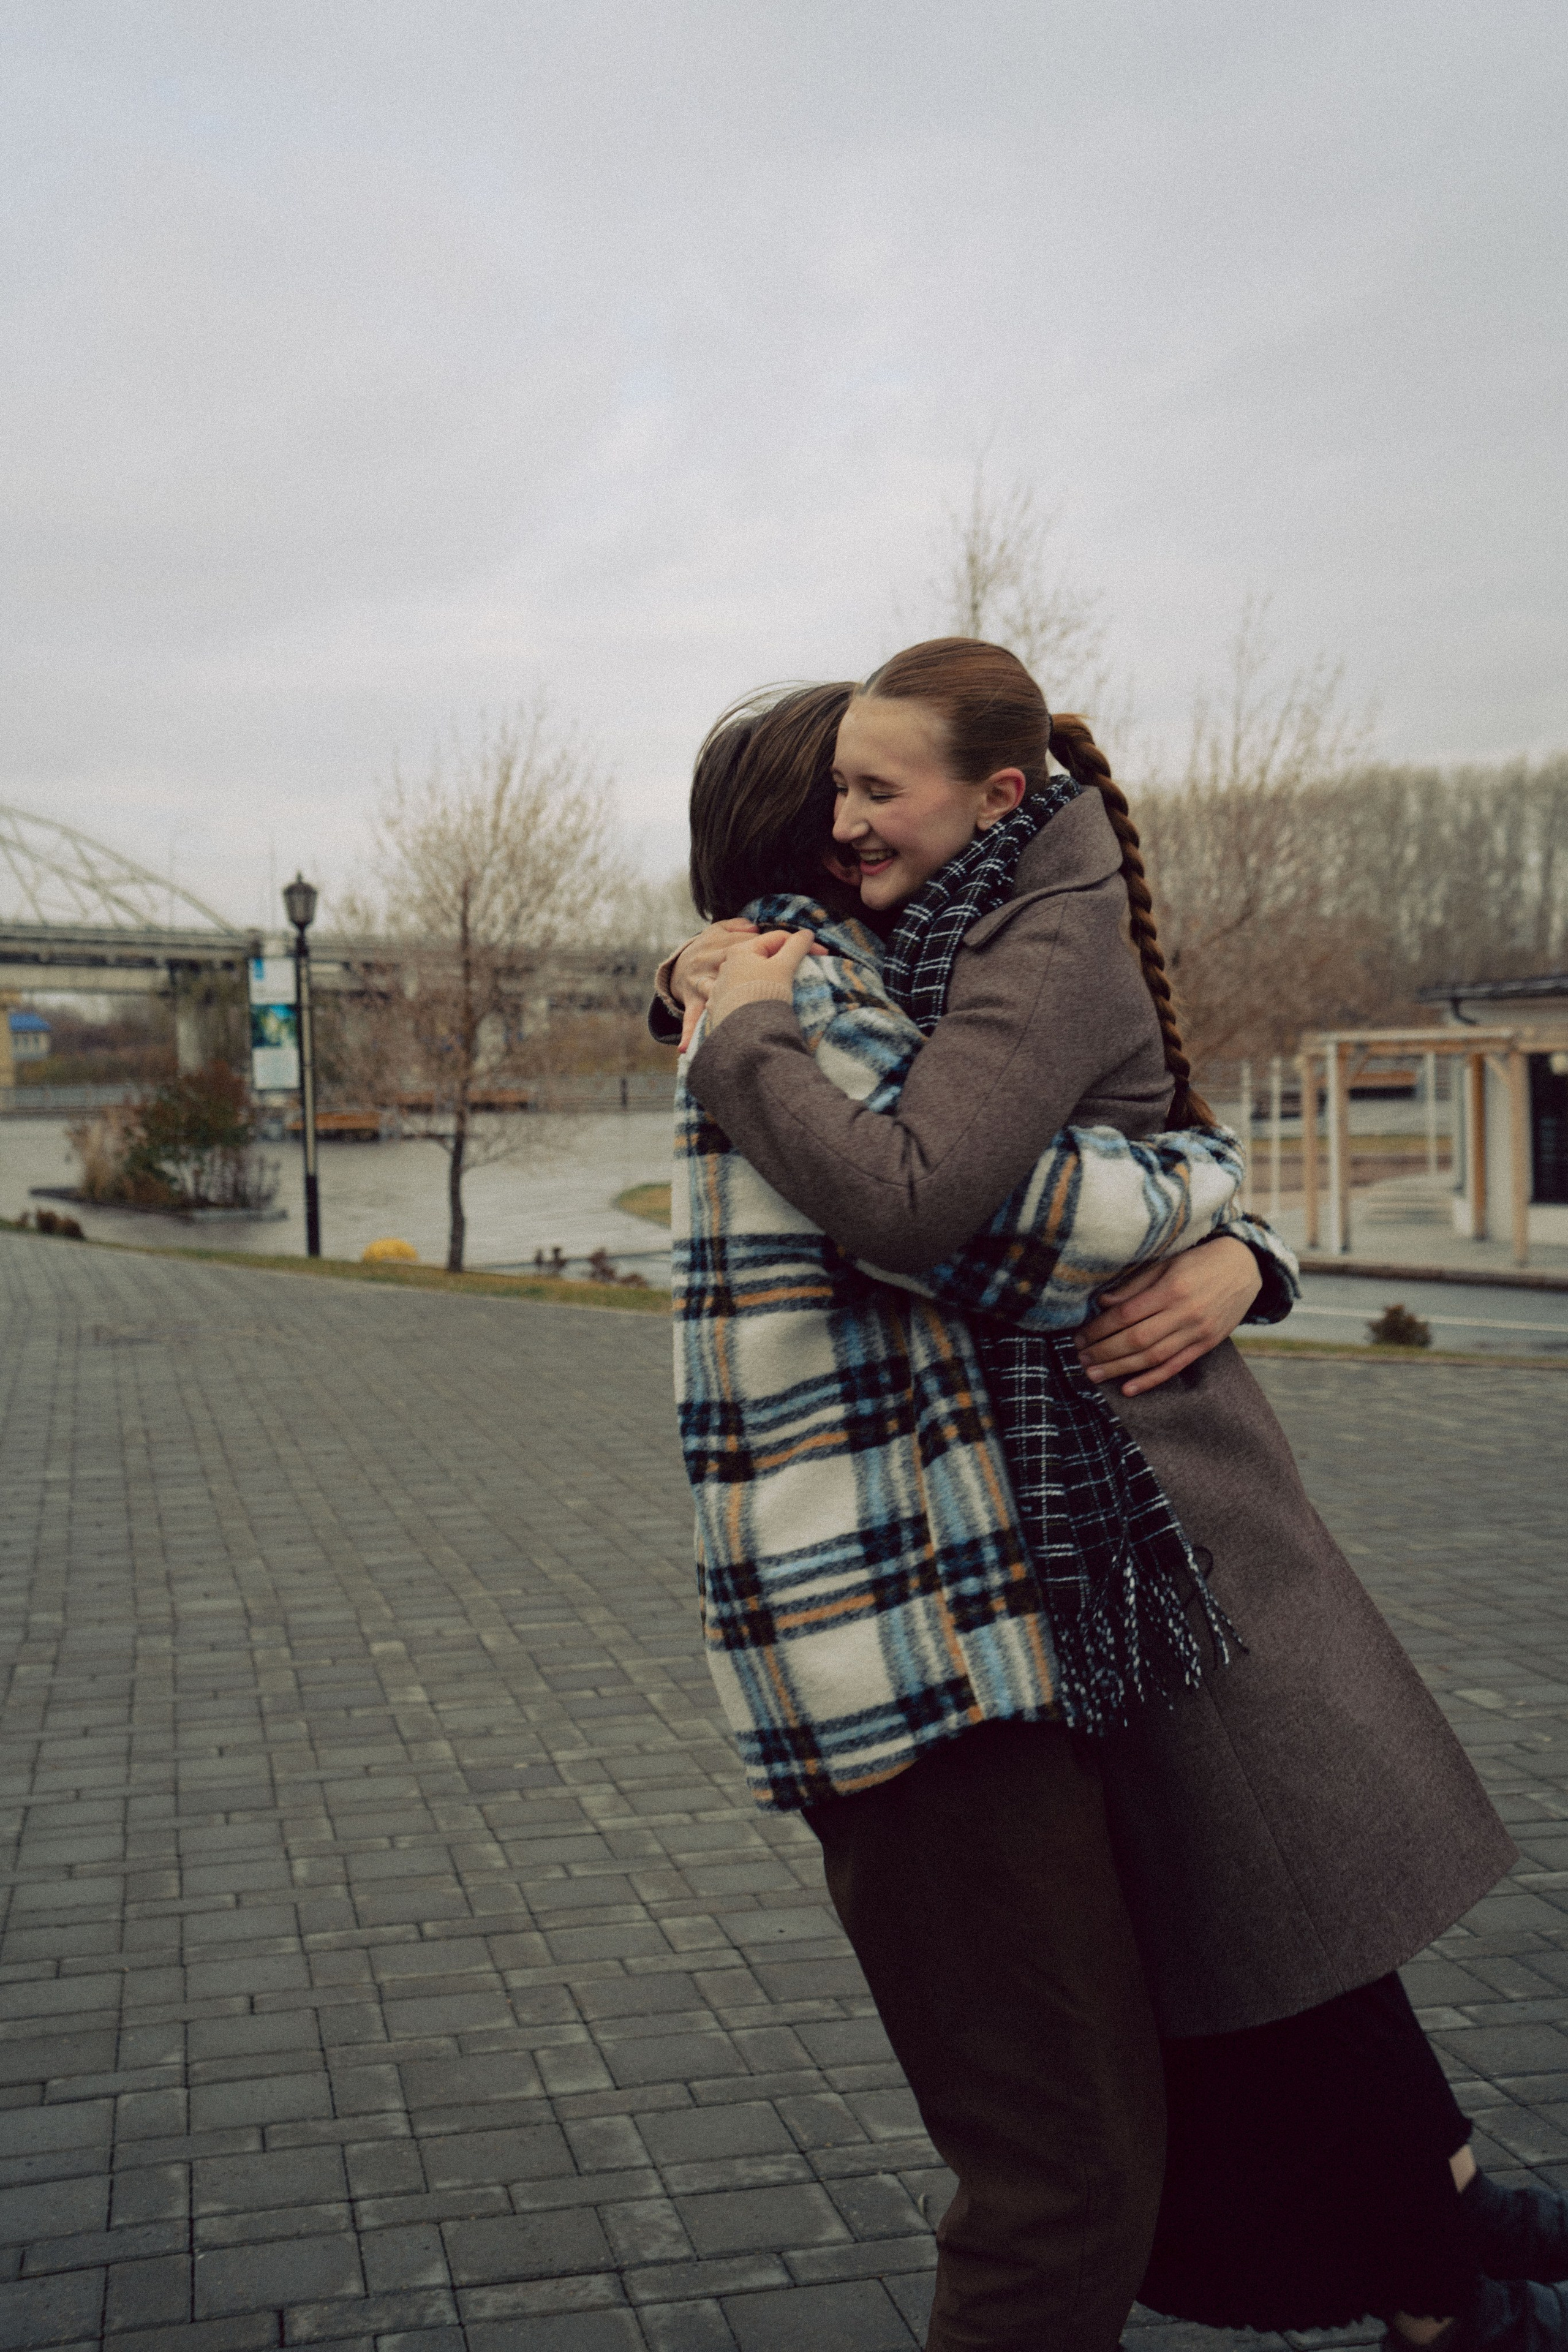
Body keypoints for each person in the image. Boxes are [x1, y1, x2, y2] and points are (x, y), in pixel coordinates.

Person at [674, 641, 1545, 2352]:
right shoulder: (799, 1013)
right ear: (801, 854)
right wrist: (1232, 1214)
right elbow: (1002, 1211)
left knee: (1235, 1960)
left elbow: (1057, 1184)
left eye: (885, 790)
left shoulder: (855, 993)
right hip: (943, 1646)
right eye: (841, 802)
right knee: (1081, 2148)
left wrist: (1245, 1260)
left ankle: (1445, 2247)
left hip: (1041, 1591)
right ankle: (1446, 2264)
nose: (868, 823)